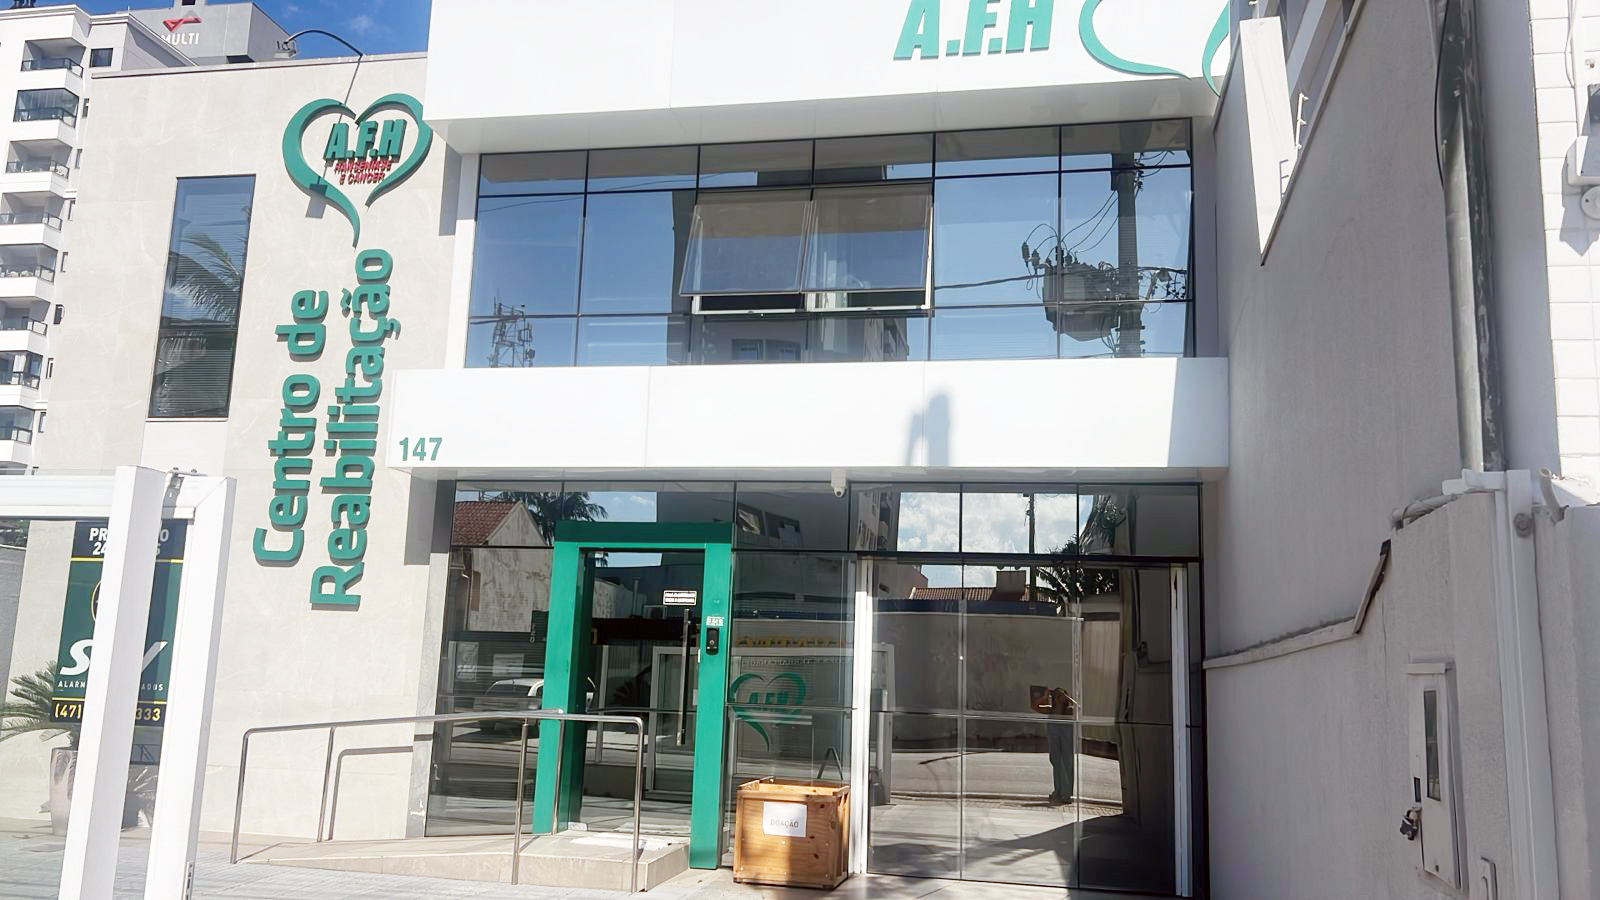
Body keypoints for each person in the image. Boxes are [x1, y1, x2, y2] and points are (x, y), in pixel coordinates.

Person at [1031, 684, 1076, 806]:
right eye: (1056, 696)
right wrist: (1045, 696)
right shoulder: (1050, 710)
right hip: (1054, 740)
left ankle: (1066, 794)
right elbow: (1035, 706)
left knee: (1067, 764)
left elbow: (1079, 708)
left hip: (1066, 741)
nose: (1059, 698)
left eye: (1061, 695)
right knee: (1056, 763)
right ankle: (1058, 791)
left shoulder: (1069, 711)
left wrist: (1067, 698)